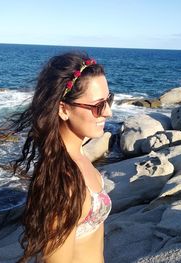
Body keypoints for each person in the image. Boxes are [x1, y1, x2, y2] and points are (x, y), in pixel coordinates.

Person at [11, 52, 113, 263]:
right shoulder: (63, 181)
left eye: (108, 100)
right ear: (63, 109)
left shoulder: (78, 152)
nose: (108, 112)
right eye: (97, 105)